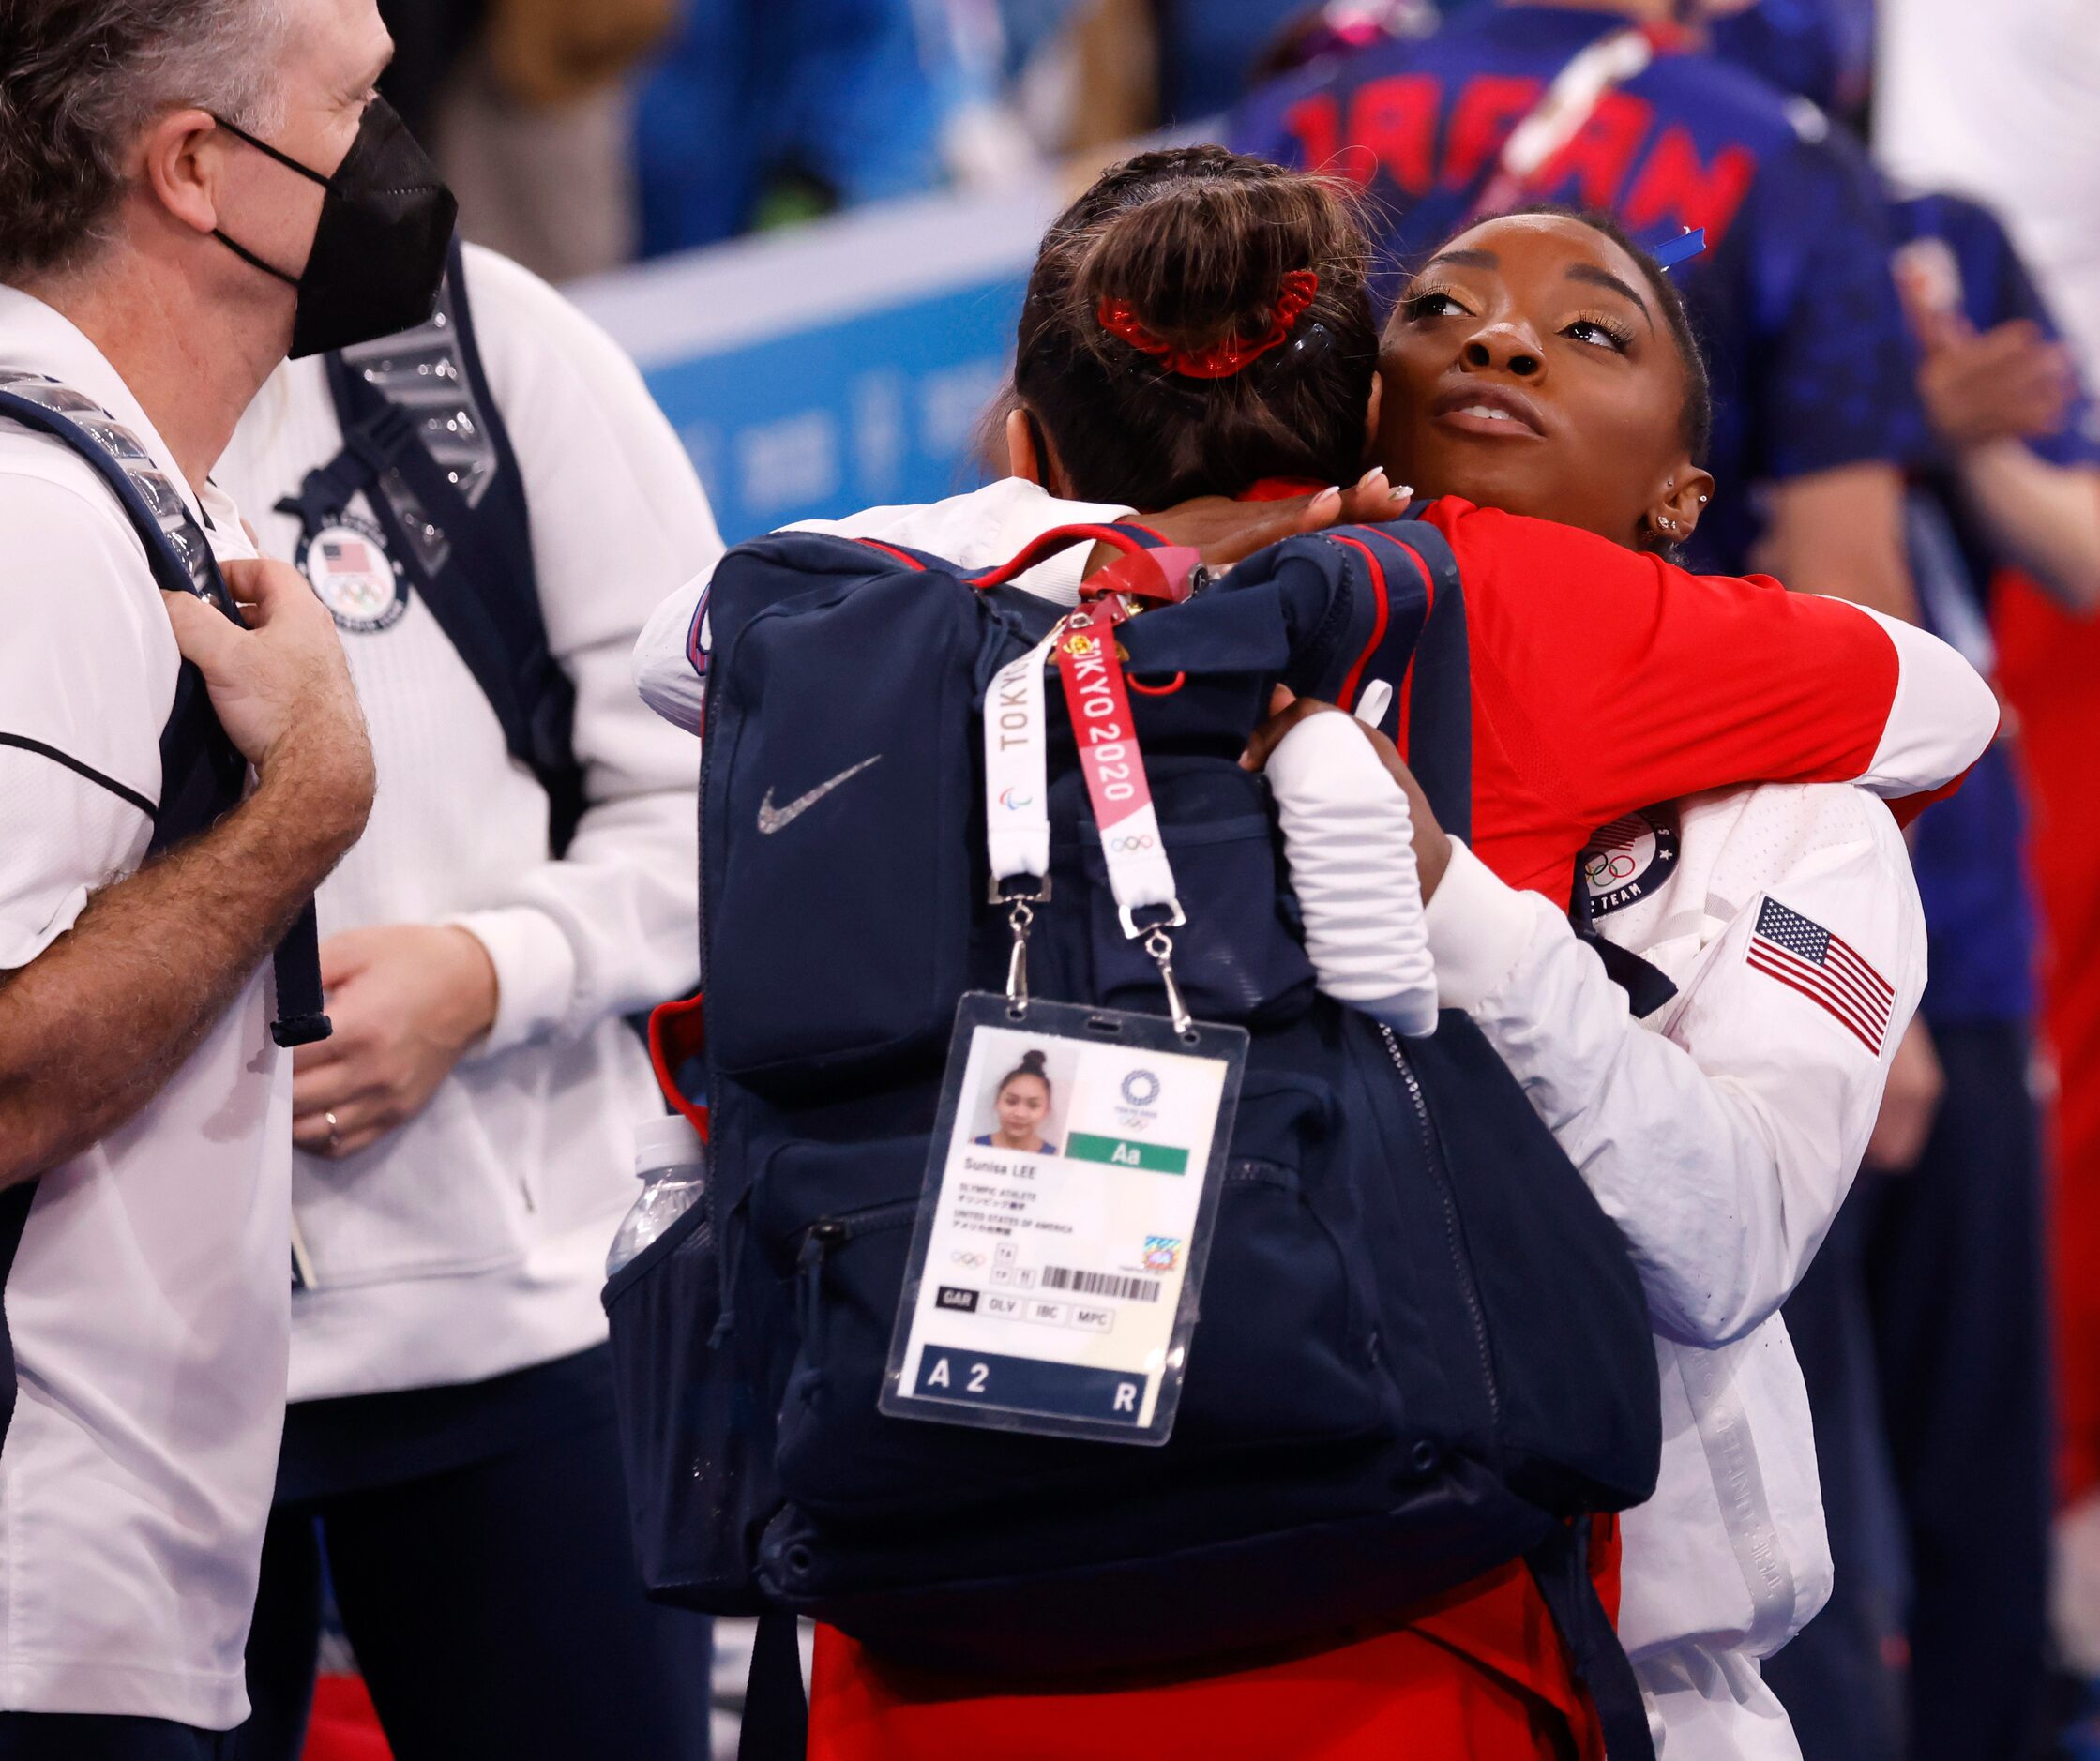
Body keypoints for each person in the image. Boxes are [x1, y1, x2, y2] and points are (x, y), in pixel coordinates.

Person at [638, 151, 1995, 1755]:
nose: (1499, 345)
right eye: (1440, 311)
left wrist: (1450, 899)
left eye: (1590, 331)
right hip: (1296, 1636)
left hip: (1489, 1640)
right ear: (1357, 418)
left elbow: (1725, 1240)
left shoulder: (869, 649)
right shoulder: (1148, 636)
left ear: (1680, 492)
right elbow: (1937, 693)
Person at [0, 0, 455, 1750]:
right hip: (43, 1592)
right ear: (195, 167)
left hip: (116, 1591)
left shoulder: (118, 480)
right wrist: (303, 809)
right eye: (355, 104)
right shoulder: (40, 522)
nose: (395, 162)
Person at [212, 235, 719, 1758]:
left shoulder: (470, 348)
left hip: (523, 1315)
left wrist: (491, 972)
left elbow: (720, 791)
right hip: (90, 1377)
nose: (369, 101)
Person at [1755, 186, 2100, 1761]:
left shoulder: (1941, 233)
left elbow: (2080, 545)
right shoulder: (1672, 199)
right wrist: (1858, 423)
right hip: (1744, 934)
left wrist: (1937, 439)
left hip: (1954, 923)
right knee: (1781, 1481)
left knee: (1979, 1460)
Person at [1230, 0, 1930, 622]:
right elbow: (1846, 581)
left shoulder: (1289, 113)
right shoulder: (1787, 159)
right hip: (1628, 712)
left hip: (1295, 671)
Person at [973, 1051, 1058, 1153]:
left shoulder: (1055, 1157)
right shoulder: (973, 1148)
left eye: (1033, 1105)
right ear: (997, 1102)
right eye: (1011, 1102)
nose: (1020, 1114)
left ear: (1046, 1110)